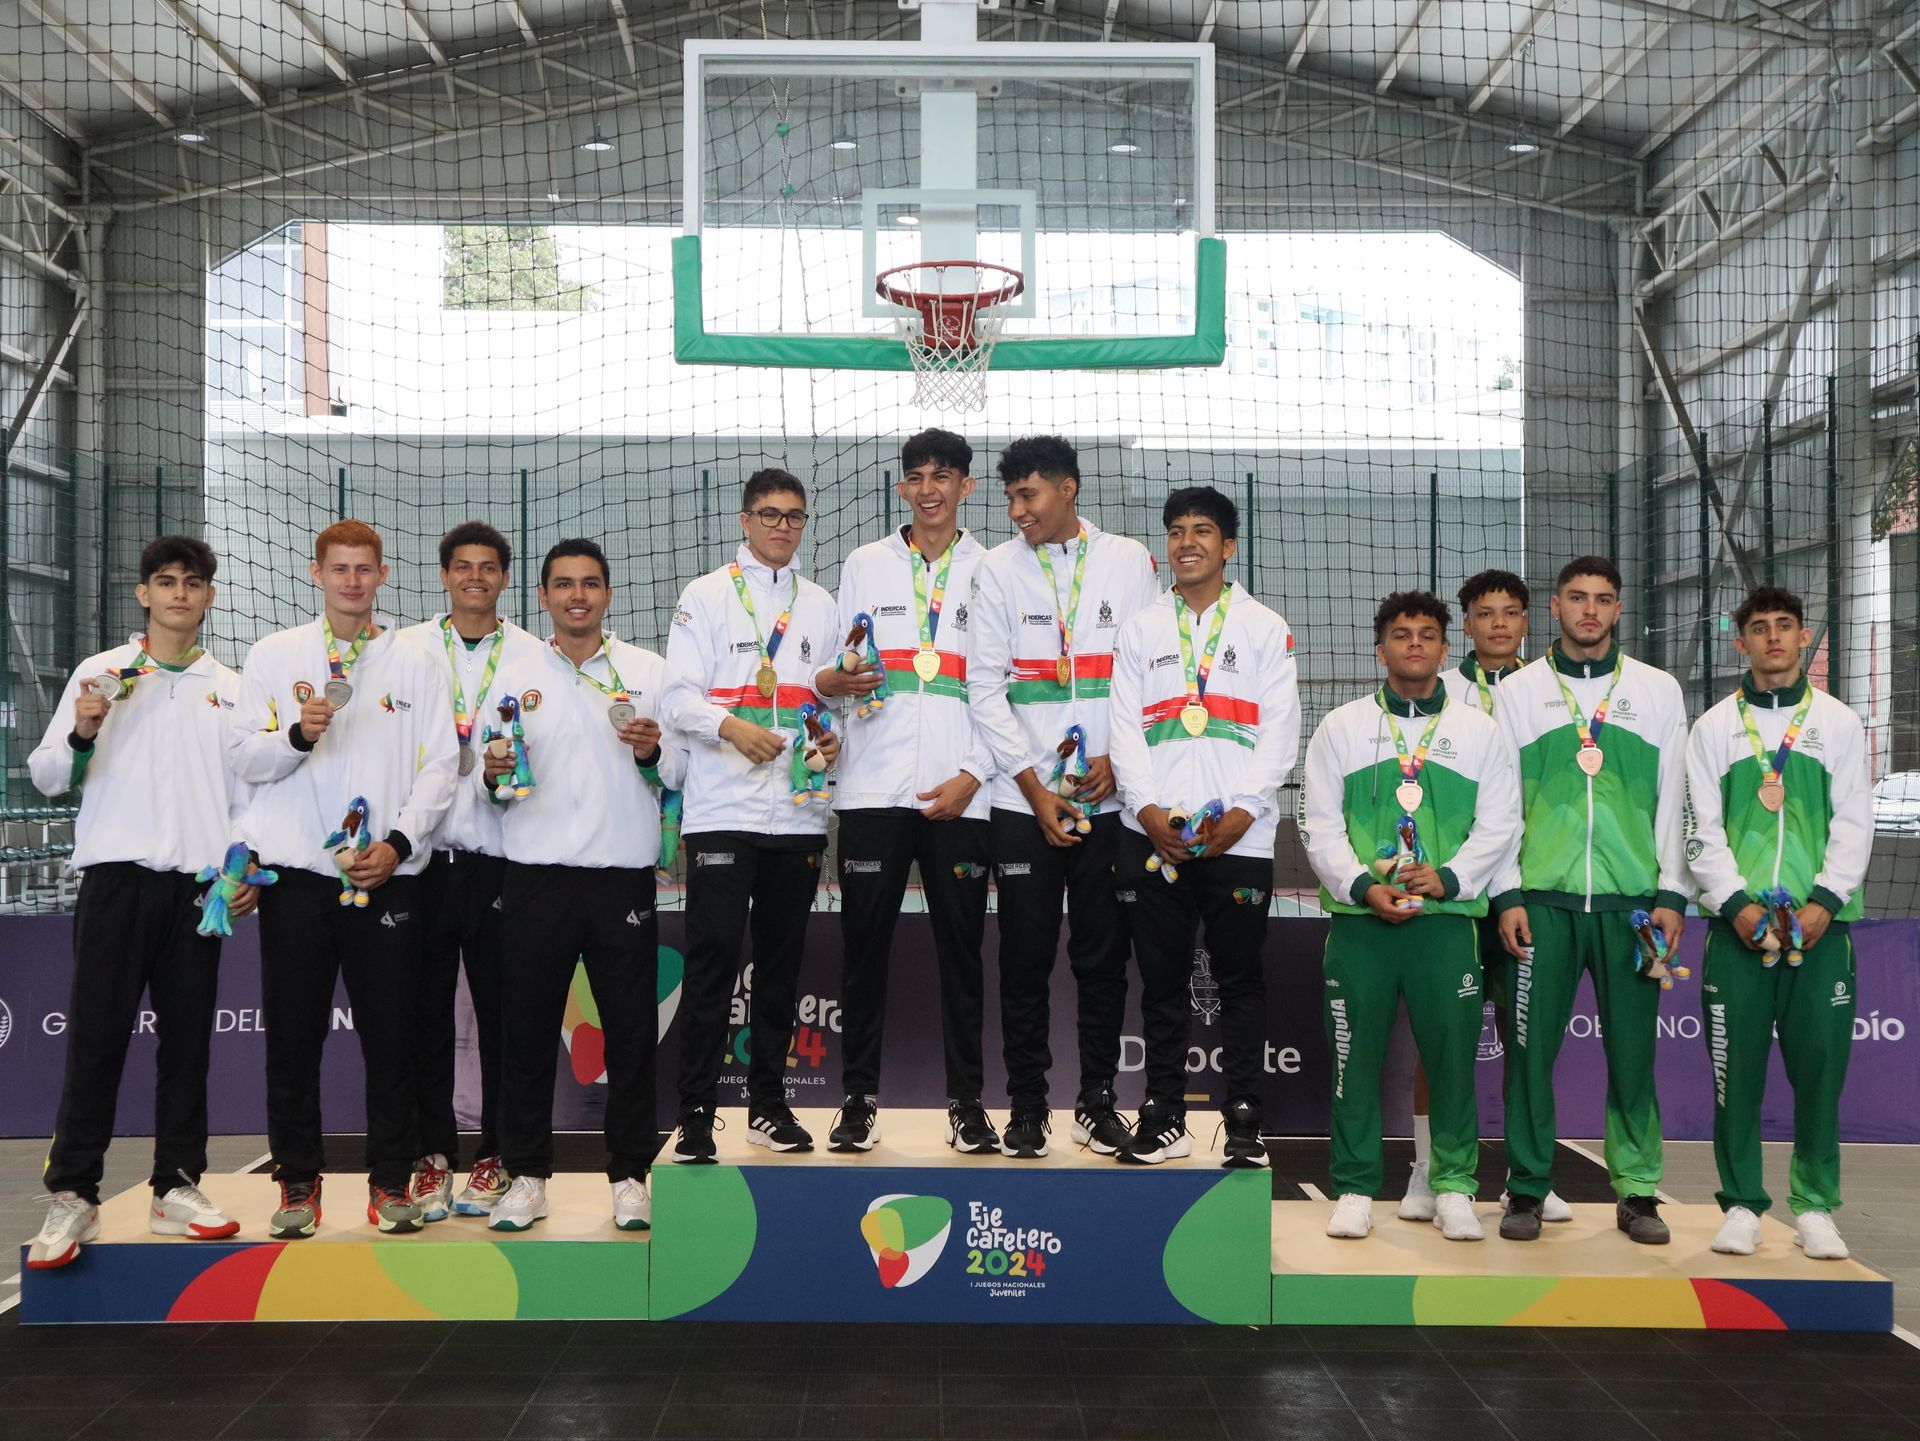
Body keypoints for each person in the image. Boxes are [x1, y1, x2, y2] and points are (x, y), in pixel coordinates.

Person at [25, 538, 252, 1268]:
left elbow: (248, 797)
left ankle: (175, 1187)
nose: (180, 593)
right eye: (166, 581)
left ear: (208, 596)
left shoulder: (234, 687)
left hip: (198, 893)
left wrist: (241, 867)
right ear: (142, 594)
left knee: (188, 1044)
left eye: (193, 582)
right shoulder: (101, 673)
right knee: (96, 1040)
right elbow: (49, 775)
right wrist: (85, 727)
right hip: (116, 883)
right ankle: (74, 1196)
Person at [232, 520, 458, 1236]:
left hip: (388, 878)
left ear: (383, 575)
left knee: (393, 1039)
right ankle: (298, 1184)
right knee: (293, 1039)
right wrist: (297, 735)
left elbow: (440, 766)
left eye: (365, 568)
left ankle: (390, 1182)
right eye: (340, 568)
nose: (353, 580)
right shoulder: (275, 655)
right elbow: (245, 758)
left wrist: (396, 843)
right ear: (315, 572)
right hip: (298, 879)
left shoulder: (416, 659)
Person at [1302, 592, 1519, 1240]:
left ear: (1444, 650)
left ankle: (1453, 1184)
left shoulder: (1481, 732)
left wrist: (1449, 877)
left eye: (1428, 635)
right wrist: (1364, 884)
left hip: (1446, 923)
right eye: (1402, 634)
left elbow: (1501, 823)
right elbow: (1319, 827)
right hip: (1362, 922)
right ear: (1381, 649)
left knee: (1452, 1058)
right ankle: (1356, 1186)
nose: (1415, 644)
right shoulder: (1339, 727)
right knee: (1353, 1060)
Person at [967, 435, 1158, 1158]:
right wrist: (1031, 785)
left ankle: (1098, 1102)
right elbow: (984, 687)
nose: (1017, 511)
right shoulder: (996, 570)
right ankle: (1025, 1109)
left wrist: (1113, 752)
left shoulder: (1128, 560)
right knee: (1023, 960)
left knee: (1103, 959)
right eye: (1011, 497)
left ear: (1068, 489)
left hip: (1108, 803)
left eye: (1029, 495)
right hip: (1024, 806)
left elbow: (1143, 672)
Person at [484, 539, 682, 1233]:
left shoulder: (648, 671)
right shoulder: (511, 672)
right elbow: (488, 778)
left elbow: (682, 769)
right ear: (542, 596)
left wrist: (655, 750)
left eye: (590, 583)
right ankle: (527, 1176)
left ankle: (631, 1176)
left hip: (620, 879)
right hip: (533, 878)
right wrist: (491, 770)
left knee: (631, 1037)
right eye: (563, 584)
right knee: (527, 1036)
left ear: (608, 594)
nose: (577, 595)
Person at [1490, 556, 1689, 1245]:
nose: (1590, 610)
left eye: (1603, 599)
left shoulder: (1659, 690)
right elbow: (1501, 800)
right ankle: (1526, 1186)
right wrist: (1506, 889)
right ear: (1554, 606)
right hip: (1539, 901)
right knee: (1529, 1053)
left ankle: (1637, 1191)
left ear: (1618, 609)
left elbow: (1674, 800)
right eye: (1577, 597)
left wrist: (1672, 892)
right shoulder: (1518, 691)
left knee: (1634, 1054)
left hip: (1632, 904)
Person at [814, 429, 999, 1155]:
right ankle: (856, 1100)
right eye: (917, 475)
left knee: (963, 954)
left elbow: (1002, 690)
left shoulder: (993, 568)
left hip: (961, 795)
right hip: (871, 792)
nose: (930, 487)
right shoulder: (864, 564)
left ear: (966, 487)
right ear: (901, 488)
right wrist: (831, 682)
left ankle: (968, 1105)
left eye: (944, 475)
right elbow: (832, 673)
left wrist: (975, 774)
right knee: (863, 954)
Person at [1108, 486, 1299, 1167]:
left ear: (1229, 546)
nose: (1188, 541)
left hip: (1237, 839)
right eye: (1178, 530)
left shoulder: (1265, 627)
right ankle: (1162, 1115)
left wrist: (1244, 810)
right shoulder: (1139, 628)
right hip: (1152, 836)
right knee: (1160, 983)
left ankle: (1243, 1119)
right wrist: (1149, 810)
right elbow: (1125, 729)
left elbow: (1280, 731)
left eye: (1203, 530)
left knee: (1240, 980)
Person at [1685, 584, 1871, 1261]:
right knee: (1735, 1073)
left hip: (1823, 930)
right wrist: (1737, 905)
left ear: (1801, 637)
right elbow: (1699, 829)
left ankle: (1816, 1204)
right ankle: (1740, 1203)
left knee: (1819, 1071)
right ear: (1741, 642)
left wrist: (1824, 898)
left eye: (1784, 625)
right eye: (1758, 627)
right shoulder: (1712, 727)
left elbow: (1855, 818)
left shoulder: (1840, 723)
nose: (1772, 637)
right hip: (1738, 933)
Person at [663, 469, 841, 1160]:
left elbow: (830, 706)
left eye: (794, 516)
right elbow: (677, 699)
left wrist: (830, 740)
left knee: (781, 968)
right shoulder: (705, 596)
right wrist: (731, 727)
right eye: (769, 514)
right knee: (711, 968)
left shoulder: (819, 603)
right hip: (721, 813)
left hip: (797, 815)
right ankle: (698, 1116)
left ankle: (769, 1106)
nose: (782, 527)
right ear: (744, 520)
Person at [396, 522, 541, 1220]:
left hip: (499, 861)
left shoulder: (534, 656)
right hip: (421, 861)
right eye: (462, 566)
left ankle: (498, 1154)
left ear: (505, 579)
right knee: (424, 1016)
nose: (475, 577)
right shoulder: (407, 650)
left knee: (504, 1020)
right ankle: (431, 1155)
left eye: (488, 567)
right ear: (445, 574)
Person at [1417, 570, 1571, 1224]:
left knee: (1524, 1037)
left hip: (1523, 892)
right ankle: (1429, 1173)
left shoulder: (1550, 692)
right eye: (1486, 614)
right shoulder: (1440, 691)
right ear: (1467, 625)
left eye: (1511, 612)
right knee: (1440, 1039)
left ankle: (1524, 1178)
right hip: (1455, 893)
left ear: (1529, 621)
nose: (1500, 624)